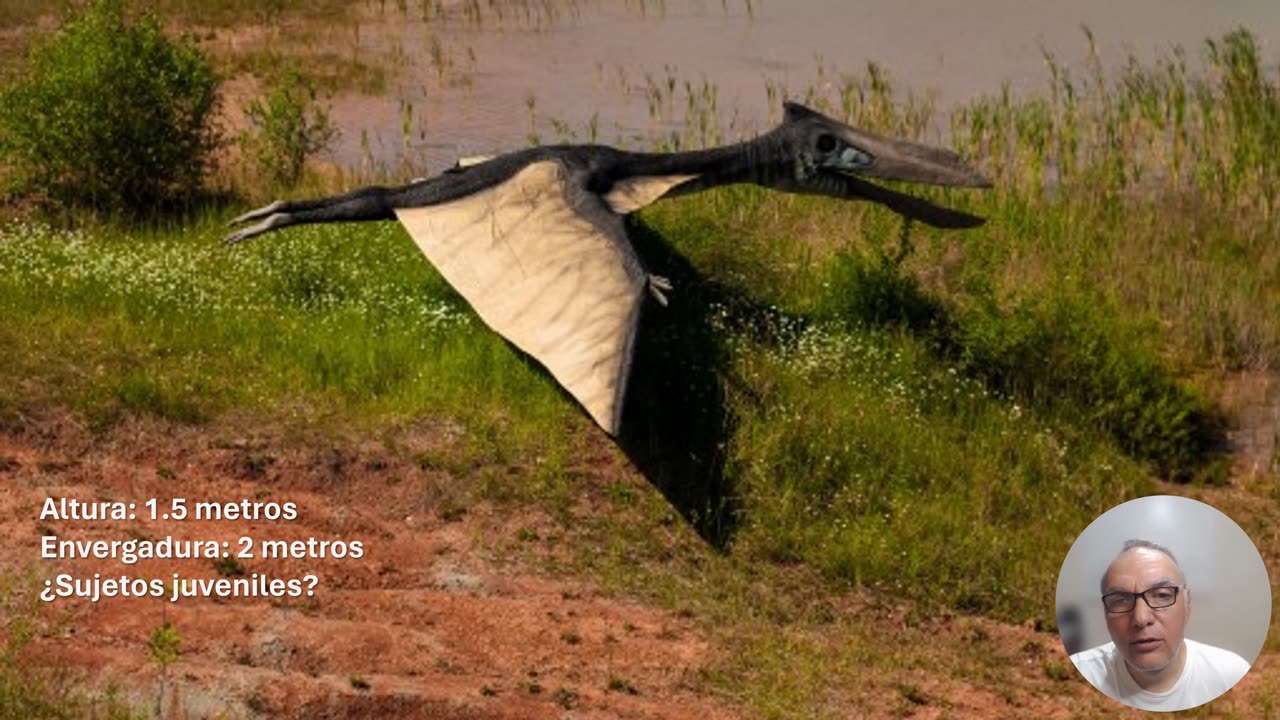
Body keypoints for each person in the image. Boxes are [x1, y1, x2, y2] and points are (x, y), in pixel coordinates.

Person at [1069, 539, 1252, 711]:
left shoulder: (1232, 675)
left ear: (1187, 604)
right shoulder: (1077, 676)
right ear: (1105, 613)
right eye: (1121, 600)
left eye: (1161, 595)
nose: (1141, 619)